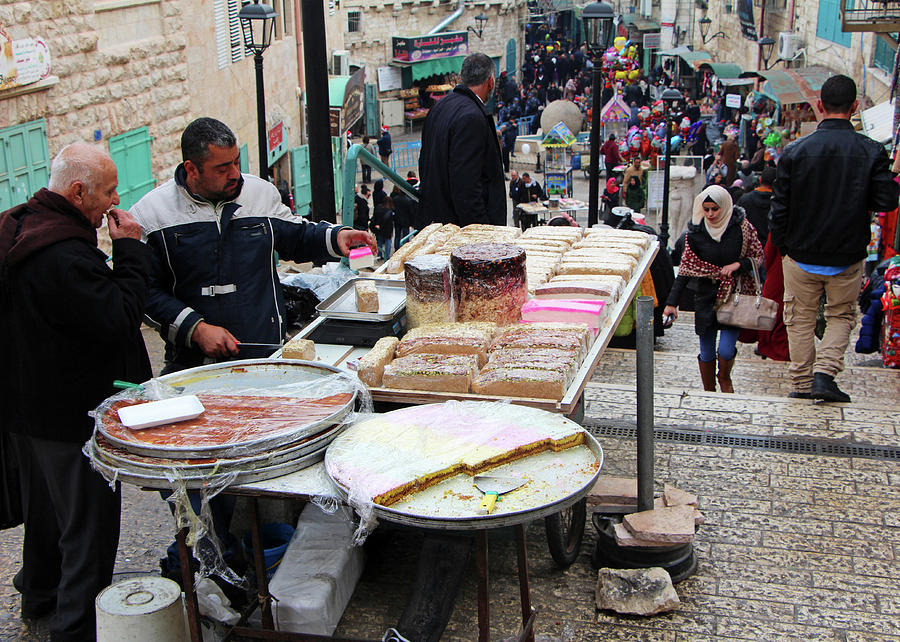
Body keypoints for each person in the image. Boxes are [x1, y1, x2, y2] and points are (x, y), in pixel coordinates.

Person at [130, 118, 375, 575]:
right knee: (198, 478)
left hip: (262, 361)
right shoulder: (152, 216)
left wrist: (337, 237)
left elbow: (293, 234)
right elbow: (143, 293)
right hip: (195, 368)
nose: (234, 175)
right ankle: (199, 566)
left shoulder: (258, 194)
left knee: (266, 461)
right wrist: (195, 327)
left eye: (237, 163)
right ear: (192, 169)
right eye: (222, 168)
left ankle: (236, 555)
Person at [0, 142, 152, 640]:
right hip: (70, 417)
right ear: (78, 190)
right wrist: (130, 250)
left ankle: (39, 598)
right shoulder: (63, 255)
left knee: (46, 516)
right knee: (87, 529)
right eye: (108, 192)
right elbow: (119, 317)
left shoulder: (18, 225)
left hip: (26, 409)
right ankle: (75, 628)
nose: (114, 201)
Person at [770, 74, 899, 401]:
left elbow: (779, 209)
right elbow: (887, 201)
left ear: (820, 107)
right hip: (847, 253)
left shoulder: (796, 150)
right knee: (840, 315)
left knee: (799, 318)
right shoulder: (871, 151)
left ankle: (801, 383)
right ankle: (825, 374)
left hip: (800, 253)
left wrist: (785, 247)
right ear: (855, 106)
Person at [663, 185, 764, 393]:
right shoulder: (695, 233)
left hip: (733, 295)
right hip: (706, 298)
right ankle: (709, 390)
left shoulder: (742, 229)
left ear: (725, 207)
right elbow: (686, 269)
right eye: (706, 209)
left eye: (715, 209)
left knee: (726, 350)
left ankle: (725, 379)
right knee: (707, 352)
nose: (710, 214)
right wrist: (671, 304)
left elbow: (756, 256)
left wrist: (738, 265)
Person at [419, 53, 506, 226]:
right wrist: (482, 234)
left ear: (461, 77)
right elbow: (466, 187)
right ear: (490, 82)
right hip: (461, 232)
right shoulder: (471, 117)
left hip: (438, 220)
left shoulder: (441, 106)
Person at [737, 166, 775, 247]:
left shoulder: (744, 200)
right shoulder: (778, 203)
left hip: (748, 246)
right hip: (771, 248)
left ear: (760, 179)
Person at [391, 185, 415, 252]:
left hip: (397, 220)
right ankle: (406, 250)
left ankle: (396, 249)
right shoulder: (408, 201)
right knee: (406, 237)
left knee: (397, 236)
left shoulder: (395, 199)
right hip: (405, 221)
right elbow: (411, 213)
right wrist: (412, 222)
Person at [371, 195, 395, 259]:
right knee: (388, 242)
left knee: (379, 242)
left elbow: (374, 217)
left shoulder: (378, 207)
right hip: (387, 229)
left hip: (379, 228)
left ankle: (379, 255)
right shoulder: (390, 210)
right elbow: (391, 222)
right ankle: (387, 256)